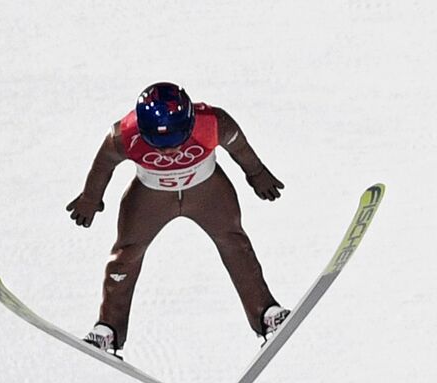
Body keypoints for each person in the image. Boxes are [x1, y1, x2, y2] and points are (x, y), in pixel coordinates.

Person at [66, 82, 289, 355]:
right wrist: (90, 198)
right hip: (151, 195)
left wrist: (256, 173)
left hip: (206, 190)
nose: (168, 152)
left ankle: (266, 314)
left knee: (234, 242)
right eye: (157, 145)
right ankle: (108, 330)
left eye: (174, 142)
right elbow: (104, 164)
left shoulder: (212, 122)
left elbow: (239, 147)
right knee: (126, 253)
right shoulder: (124, 135)